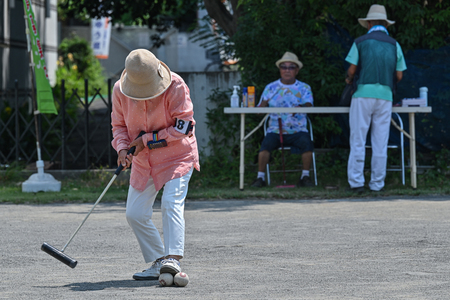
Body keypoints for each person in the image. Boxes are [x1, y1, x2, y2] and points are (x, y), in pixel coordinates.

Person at [111, 49, 200, 280]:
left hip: (177, 156)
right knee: (134, 213)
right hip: (144, 161)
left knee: (171, 203)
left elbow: (183, 127)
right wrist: (122, 148)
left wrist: (146, 140)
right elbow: (119, 125)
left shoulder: (176, 85)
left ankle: (173, 259)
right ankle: (160, 261)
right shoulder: (120, 90)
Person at [345, 4, 406, 193]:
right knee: (381, 141)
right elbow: (399, 76)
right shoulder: (395, 44)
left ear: (369, 22)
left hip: (363, 94)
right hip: (385, 96)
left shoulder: (360, 41)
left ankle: (356, 183)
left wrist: (348, 79)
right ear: (386, 25)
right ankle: (377, 184)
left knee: (358, 139)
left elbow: (352, 69)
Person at [251, 51, 314, 188]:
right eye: (283, 67)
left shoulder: (304, 88)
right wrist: (263, 104)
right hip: (275, 129)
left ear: (297, 71)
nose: (287, 70)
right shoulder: (271, 88)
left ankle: (305, 177)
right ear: (280, 70)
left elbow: (309, 106)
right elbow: (259, 112)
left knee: (307, 144)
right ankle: (260, 178)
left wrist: (301, 106)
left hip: (298, 129)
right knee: (265, 146)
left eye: (291, 67)